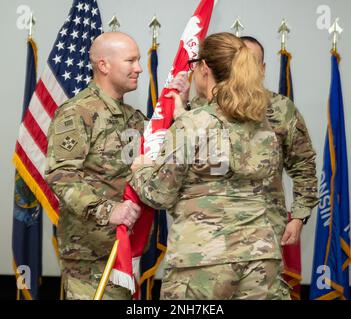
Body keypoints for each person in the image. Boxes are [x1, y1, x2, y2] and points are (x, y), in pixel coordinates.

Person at [129, 32, 299, 300]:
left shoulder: (191, 124)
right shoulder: (262, 124)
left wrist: (140, 168)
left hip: (202, 260)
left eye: (195, 65)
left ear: (205, 68)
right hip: (260, 258)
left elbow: (159, 194)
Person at [45, 32, 146, 300]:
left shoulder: (134, 118)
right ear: (103, 65)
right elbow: (61, 175)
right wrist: (106, 210)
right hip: (89, 258)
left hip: (125, 249)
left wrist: (179, 102)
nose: (139, 68)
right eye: (131, 60)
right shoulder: (77, 113)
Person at [240, 36, 318, 247]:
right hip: (216, 235)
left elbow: (303, 165)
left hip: (266, 231)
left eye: (252, 63)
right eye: (241, 62)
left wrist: (299, 216)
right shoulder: (208, 109)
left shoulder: (282, 109)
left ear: (263, 68)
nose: (246, 69)